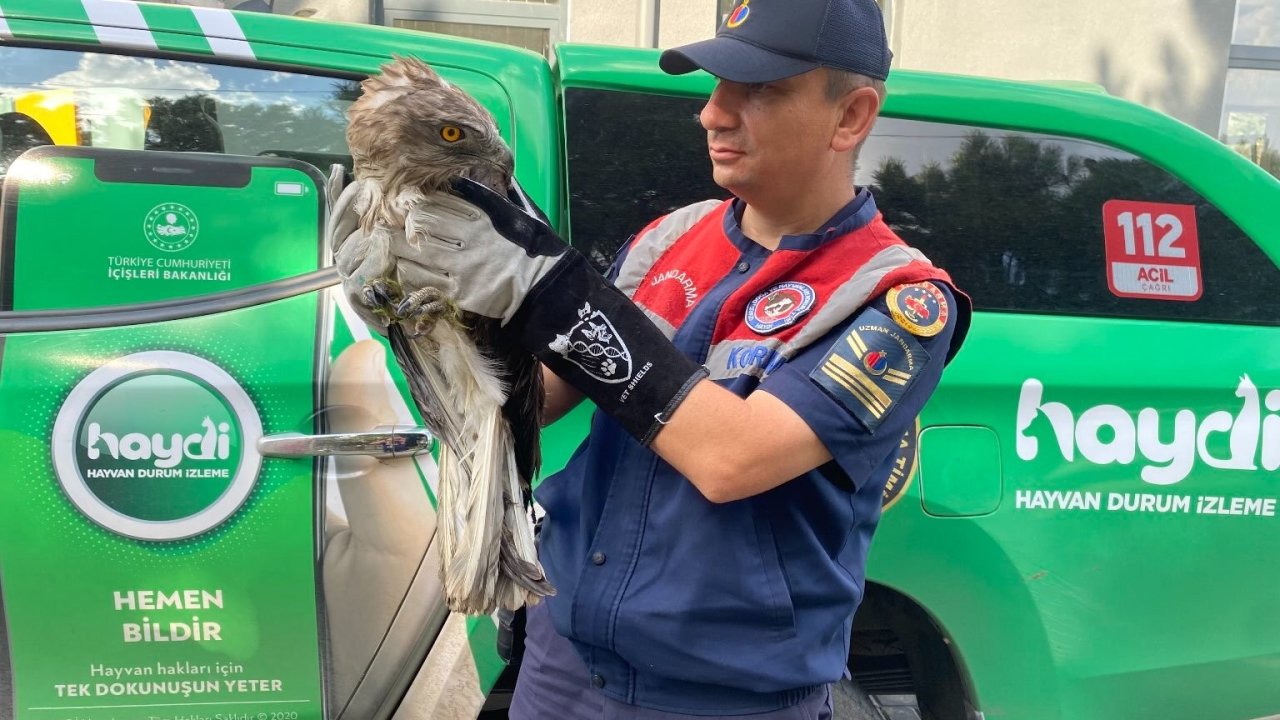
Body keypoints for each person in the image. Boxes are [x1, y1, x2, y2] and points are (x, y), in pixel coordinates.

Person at [335, 0, 971, 716]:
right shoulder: (669, 237)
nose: (713, 113)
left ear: (852, 116)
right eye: (715, 84)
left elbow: (734, 459)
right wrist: (429, 319)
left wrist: (550, 290)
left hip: (719, 698)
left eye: (758, 90)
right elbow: (532, 400)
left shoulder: (900, 300)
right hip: (561, 665)